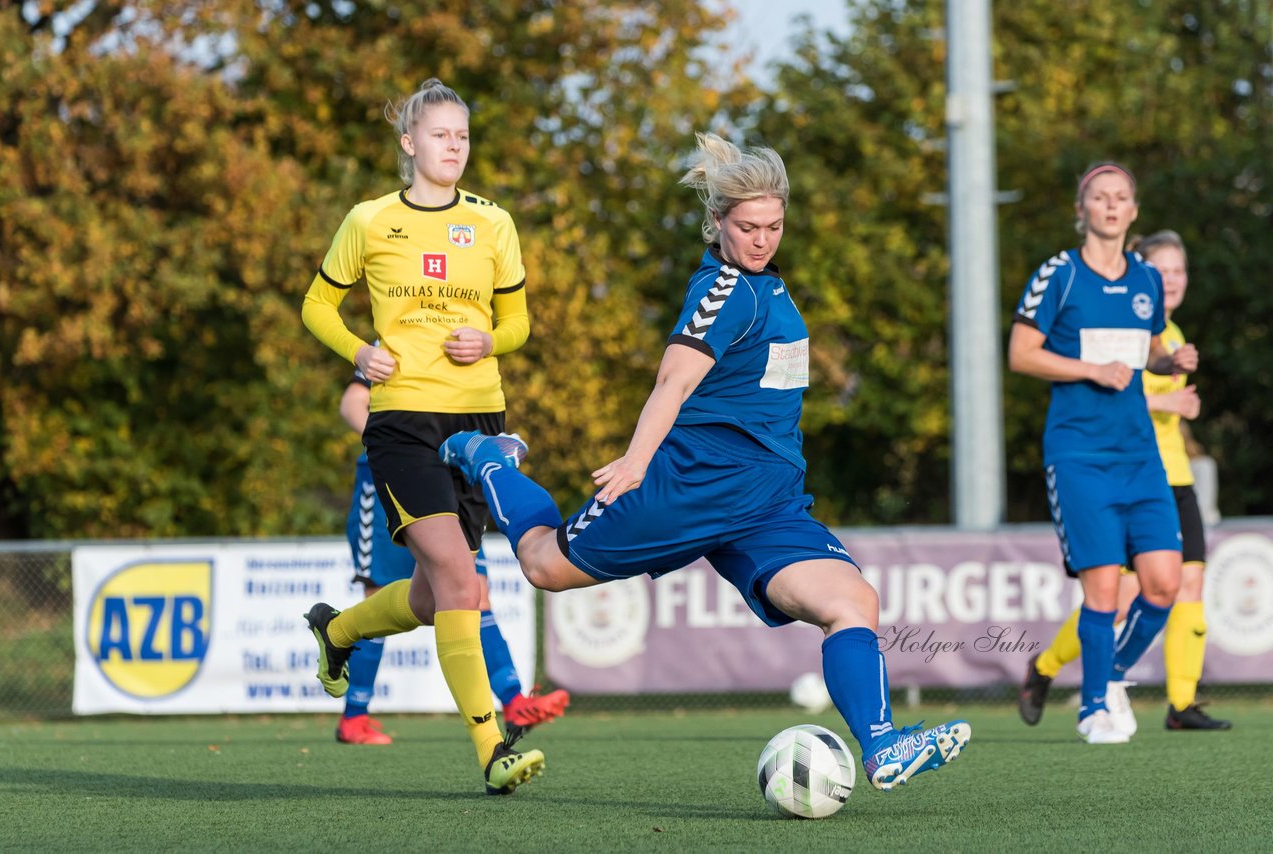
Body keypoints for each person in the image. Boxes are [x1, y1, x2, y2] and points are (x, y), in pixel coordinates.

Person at [438, 132, 972, 792]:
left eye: (774, 225)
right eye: (748, 226)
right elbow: (673, 381)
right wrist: (637, 460)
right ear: (718, 222)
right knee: (543, 565)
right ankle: (490, 458)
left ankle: (883, 746)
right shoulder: (724, 290)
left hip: (767, 504)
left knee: (853, 601)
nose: (762, 239)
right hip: (689, 486)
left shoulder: (768, 287)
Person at [300, 78, 545, 794]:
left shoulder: (495, 222)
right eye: (441, 135)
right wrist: (356, 352)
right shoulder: (371, 220)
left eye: (463, 136)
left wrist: (491, 338)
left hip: (479, 423)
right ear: (409, 144)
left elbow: (521, 324)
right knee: (462, 580)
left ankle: (339, 632)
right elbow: (316, 304)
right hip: (402, 421)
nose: (454, 147)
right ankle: (493, 746)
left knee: (440, 595)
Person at [1008, 163, 1198, 744]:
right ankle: (1093, 709)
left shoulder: (1145, 281)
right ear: (1081, 208)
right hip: (1080, 456)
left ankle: (1110, 673)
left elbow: (1141, 355)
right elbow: (1021, 353)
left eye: (1121, 198)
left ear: (1133, 212)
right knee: (1105, 591)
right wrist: (1091, 369)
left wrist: (1168, 364)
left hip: (1142, 456)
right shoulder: (1058, 275)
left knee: (1166, 584)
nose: (1111, 206)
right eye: (1100, 197)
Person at [335, 374, 570, 745]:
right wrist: (401, 442)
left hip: (449, 480)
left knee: (475, 592)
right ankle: (354, 716)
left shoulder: (464, 339)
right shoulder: (396, 337)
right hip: (388, 477)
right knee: (377, 591)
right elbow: (352, 403)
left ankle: (514, 702)